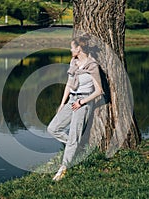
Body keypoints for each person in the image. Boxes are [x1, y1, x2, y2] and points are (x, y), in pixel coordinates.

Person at [47, 34, 103, 181]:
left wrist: (82, 102)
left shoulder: (92, 65)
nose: (70, 49)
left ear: (79, 48)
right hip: (71, 99)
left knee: (73, 135)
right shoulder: (73, 61)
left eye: (72, 47)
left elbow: (99, 91)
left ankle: (63, 168)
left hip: (83, 102)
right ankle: (76, 147)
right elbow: (69, 84)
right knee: (53, 128)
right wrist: (62, 103)